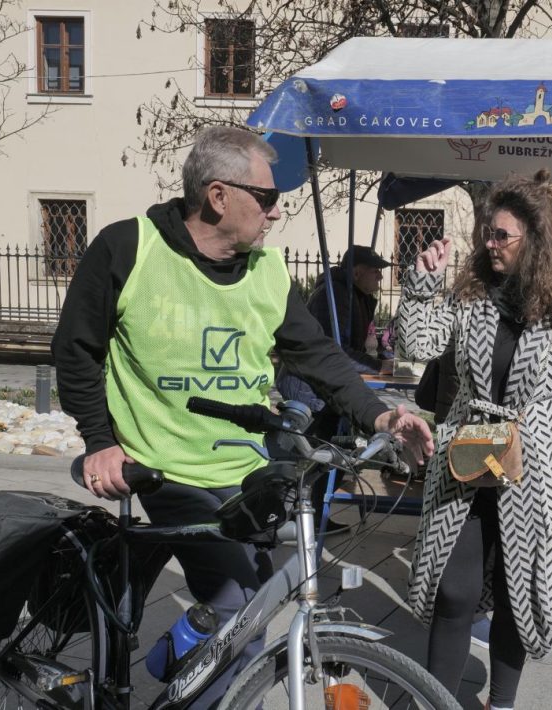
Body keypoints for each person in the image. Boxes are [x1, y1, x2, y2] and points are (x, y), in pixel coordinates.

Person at [51, 126, 432, 710]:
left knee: (250, 606)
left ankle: (181, 650)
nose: (278, 212)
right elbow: (77, 350)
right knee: (240, 611)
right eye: (269, 197)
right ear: (219, 195)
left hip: (249, 469)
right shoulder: (128, 247)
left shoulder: (267, 270)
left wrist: (379, 417)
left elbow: (317, 355)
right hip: (164, 465)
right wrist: (100, 441)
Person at [396, 170, 552, 710]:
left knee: (520, 594)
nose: (489, 244)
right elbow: (418, 342)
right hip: (467, 457)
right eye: (486, 233)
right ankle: (437, 700)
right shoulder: (470, 298)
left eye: (502, 236)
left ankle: (503, 701)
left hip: (536, 472)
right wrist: (422, 283)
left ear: (536, 240)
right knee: (454, 591)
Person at [277, 244, 394, 439]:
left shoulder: (356, 296)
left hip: (321, 388)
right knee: (317, 452)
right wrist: (378, 366)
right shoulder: (334, 295)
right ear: (356, 274)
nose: (380, 277)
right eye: (375, 271)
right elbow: (335, 350)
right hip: (310, 390)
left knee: (332, 449)